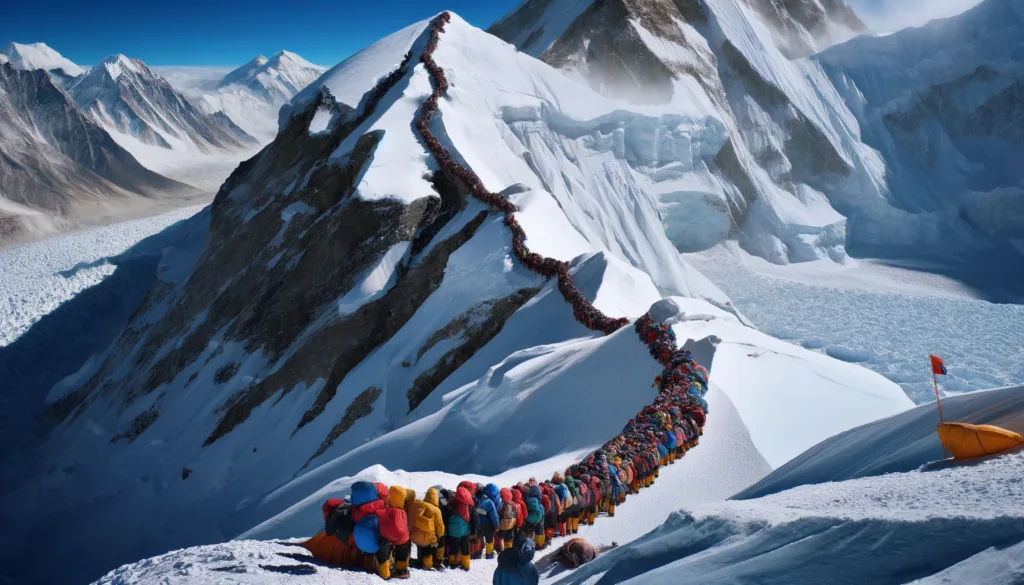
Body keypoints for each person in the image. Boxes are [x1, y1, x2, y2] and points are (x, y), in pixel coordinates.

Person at [350, 481, 388, 577]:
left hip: (359, 543)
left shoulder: (355, 509)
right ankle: (384, 569)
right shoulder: (380, 504)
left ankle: (368, 566)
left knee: (369, 534)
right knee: (384, 539)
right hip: (374, 543)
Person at [380, 486, 412, 579]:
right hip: (401, 539)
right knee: (405, 545)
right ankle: (401, 569)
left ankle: (388, 567)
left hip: (387, 537)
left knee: (386, 547)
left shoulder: (386, 508)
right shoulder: (402, 512)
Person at [408, 488, 445, 570]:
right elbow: (440, 527)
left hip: (415, 534)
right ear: (436, 497)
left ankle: (420, 560)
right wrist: (440, 537)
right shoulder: (436, 510)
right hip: (427, 538)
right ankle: (428, 565)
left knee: (421, 543)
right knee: (429, 545)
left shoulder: (419, 505)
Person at [446, 486, 475, 570]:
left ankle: (452, 563)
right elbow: (474, 520)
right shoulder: (469, 506)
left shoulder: (451, 504)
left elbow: (446, 517)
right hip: (465, 531)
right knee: (465, 548)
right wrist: (473, 532)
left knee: (453, 547)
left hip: (452, 530)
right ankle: (466, 565)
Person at [476, 483, 501, 559]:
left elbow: (477, 510)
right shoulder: (490, 502)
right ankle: (489, 554)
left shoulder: (478, 498)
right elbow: (494, 516)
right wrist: (496, 526)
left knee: (479, 538)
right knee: (489, 539)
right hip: (487, 524)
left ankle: (477, 553)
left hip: (477, 522)